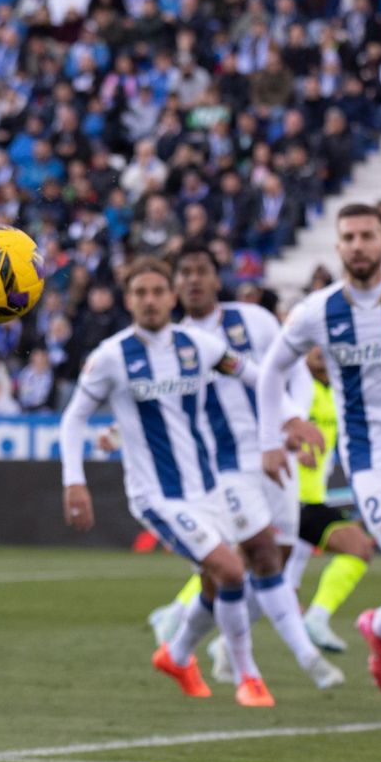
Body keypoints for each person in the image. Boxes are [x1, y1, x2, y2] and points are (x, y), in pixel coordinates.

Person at [61, 258, 275, 707]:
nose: (151, 300)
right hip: (157, 495)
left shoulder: (201, 346)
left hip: (210, 487)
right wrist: (74, 481)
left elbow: (259, 377)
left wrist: (288, 418)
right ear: (128, 300)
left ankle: (176, 654)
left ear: (172, 297)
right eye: (140, 292)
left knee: (217, 578)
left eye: (158, 291)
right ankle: (248, 676)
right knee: (233, 570)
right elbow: (74, 418)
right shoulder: (110, 357)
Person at [141, 244, 340, 689]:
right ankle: (299, 661)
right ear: (174, 288)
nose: (192, 280)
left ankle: (183, 639)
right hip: (221, 466)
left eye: (201, 271)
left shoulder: (255, 320)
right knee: (260, 556)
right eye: (184, 273)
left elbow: (296, 373)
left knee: (276, 561)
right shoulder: (171, 344)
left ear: (217, 278)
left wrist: (291, 424)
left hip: (273, 454)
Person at [257, 204, 381, 693]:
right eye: (349, 237)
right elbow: (271, 370)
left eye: (367, 236)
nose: (358, 245)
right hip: (372, 462)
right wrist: (275, 434)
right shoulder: (319, 311)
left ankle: (377, 627)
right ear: (338, 247)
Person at [283, 346, 378, 652]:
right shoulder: (290, 387)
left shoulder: (336, 391)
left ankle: (215, 642)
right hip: (283, 496)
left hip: (312, 498)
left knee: (266, 578)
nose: (320, 350)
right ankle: (181, 616)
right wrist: (291, 449)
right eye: (312, 343)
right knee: (249, 569)